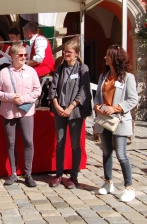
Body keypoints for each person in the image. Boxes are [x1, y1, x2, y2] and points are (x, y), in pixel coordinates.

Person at [94, 45, 138, 202]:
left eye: (108, 55)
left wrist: (116, 108)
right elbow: (98, 96)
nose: (105, 57)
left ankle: (129, 187)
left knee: (121, 154)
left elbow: (133, 99)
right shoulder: (103, 76)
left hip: (119, 120)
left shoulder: (127, 77)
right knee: (106, 152)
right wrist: (97, 105)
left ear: (116, 58)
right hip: (104, 120)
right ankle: (108, 182)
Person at [0, 44, 41, 187]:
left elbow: (37, 90)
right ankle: (13, 173)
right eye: (20, 55)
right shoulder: (4, 73)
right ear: (13, 56)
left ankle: (28, 174)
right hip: (8, 112)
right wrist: (10, 97)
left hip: (26, 111)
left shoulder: (31, 71)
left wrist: (24, 99)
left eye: (25, 55)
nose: (23, 57)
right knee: (11, 142)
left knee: (28, 141)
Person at [47, 40, 91, 189]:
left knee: (75, 144)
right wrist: (57, 105)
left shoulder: (82, 69)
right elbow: (53, 88)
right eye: (64, 51)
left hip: (75, 111)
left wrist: (71, 107)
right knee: (60, 143)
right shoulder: (60, 68)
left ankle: (73, 176)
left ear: (76, 54)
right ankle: (59, 174)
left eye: (69, 52)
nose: (65, 54)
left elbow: (83, 91)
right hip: (59, 109)